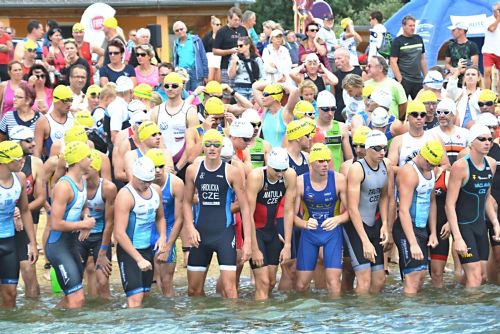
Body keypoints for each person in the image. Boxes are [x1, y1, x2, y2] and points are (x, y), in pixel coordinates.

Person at [183, 129, 251, 298]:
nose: (212, 148)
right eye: (208, 144)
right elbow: (185, 201)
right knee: (193, 291)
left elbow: (245, 207)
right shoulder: (193, 171)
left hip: (224, 234)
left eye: (216, 145)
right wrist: (190, 228)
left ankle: (231, 325)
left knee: (230, 290)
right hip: (200, 235)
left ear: (221, 148)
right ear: (203, 148)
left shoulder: (231, 172)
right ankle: (203, 324)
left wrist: (248, 241)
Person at [446, 124, 499, 288]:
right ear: (471, 143)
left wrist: (496, 223)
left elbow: (487, 197)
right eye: (482, 139)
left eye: (489, 139)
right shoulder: (460, 166)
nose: (487, 143)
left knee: (481, 278)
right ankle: (468, 313)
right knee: (475, 279)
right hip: (464, 227)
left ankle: (457, 299)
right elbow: (449, 205)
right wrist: (458, 238)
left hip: (480, 227)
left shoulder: (491, 164)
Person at [294, 143, 349, 297]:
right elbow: (291, 216)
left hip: (332, 233)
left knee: (334, 282)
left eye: (327, 160)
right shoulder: (300, 182)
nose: (325, 164)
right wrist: (304, 223)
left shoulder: (338, 179)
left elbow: (351, 212)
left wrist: (337, 219)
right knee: (302, 284)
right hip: (309, 234)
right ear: (311, 163)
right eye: (321, 161)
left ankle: (334, 317)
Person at [45, 141, 95, 308]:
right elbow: (55, 224)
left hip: (71, 244)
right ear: (79, 160)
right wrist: (83, 224)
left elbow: (84, 206)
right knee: (77, 298)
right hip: (58, 246)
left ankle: (55, 320)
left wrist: (86, 218)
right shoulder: (63, 187)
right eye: (88, 156)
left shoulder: (83, 181)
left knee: (74, 296)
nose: (91, 160)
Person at [114, 156, 168, 307]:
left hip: (147, 250)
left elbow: (161, 217)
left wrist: (162, 236)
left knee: (145, 296)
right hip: (129, 252)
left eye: (150, 181)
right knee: (135, 300)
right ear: (134, 176)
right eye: (143, 181)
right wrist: (138, 259)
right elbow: (119, 233)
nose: (147, 185)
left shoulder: (156, 190)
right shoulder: (125, 196)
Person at [344, 130, 393, 295]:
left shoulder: (386, 165)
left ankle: (373, 318)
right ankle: (359, 320)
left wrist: (385, 224)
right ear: (368, 148)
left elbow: (384, 196)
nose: (382, 152)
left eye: (384, 148)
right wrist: (365, 241)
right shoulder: (357, 169)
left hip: (375, 224)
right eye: (378, 148)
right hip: (356, 228)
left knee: (379, 280)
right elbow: (352, 208)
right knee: (364, 281)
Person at [247, 148, 297, 300]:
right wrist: (254, 248)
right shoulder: (256, 176)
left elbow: (288, 211)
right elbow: (248, 214)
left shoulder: (290, 175)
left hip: (272, 231)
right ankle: (259, 323)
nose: (280, 174)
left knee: (270, 282)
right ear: (268, 165)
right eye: (277, 170)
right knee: (262, 282)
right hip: (255, 231)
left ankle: (264, 318)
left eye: (283, 169)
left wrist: (287, 245)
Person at [394, 140, 442, 294]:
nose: (431, 167)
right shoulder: (409, 172)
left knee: (421, 276)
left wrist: (433, 232)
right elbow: (403, 210)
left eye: (435, 164)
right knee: (413, 278)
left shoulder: (432, 171)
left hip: (422, 228)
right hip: (406, 229)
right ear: (422, 155)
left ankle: (414, 315)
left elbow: (432, 201)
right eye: (429, 163)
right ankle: (409, 316)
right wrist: (412, 243)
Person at [0, 141, 38, 307]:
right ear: (5, 161)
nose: (22, 161)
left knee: (11, 293)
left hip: (9, 240)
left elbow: (24, 211)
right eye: (17, 159)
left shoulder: (20, 178)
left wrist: (33, 243)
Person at [9, 126, 44, 298]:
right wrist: (12, 213)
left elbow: (41, 198)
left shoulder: (35, 163)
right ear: (16, 143)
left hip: (26, 220)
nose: (34, 144)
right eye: (28, 140)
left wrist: (21, 212)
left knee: (28, 269)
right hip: (6, 223)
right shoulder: (4, 164)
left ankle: (34, 314)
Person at [76, 150, 116, 299]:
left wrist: (104, 251)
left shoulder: (108, 188)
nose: (85, 170)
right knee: (75, 281)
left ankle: (105, 317)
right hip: (80, 236)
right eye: (83, 167)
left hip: (100, 237)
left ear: (97, 168)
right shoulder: (76, 186)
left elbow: (110, 222)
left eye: (89, 167)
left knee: (103, 281)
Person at [145, 148, 184, 297]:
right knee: (146, 284)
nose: (157, 171)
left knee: (166, 282)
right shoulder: (140, 183)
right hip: (147, 234)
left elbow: (180, 218)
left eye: (160, 166)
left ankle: (171, 318)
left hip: (167, 232)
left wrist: (168, 246)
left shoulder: (176, 184)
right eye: (154, 167)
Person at [151, 72, 198, 178]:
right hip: (161, 164)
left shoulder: (189, 111)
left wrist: (177, 168)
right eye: (166, 86)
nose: (170, 89)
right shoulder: (156, 111)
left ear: (181, 87)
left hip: (183, 164)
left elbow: (192, 144)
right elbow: (151, 141)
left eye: (174, 86)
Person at [388, 100, 449, 172]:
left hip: (429, 181)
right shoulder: (398, 140)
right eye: (415, 114)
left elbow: (446, 165)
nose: (419, 117)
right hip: (407, 181)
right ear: (408, 117)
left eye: (422, 115)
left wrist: (434, 171)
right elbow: (390, 168)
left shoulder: (435, 137)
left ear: (425, 118)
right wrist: (413, 171)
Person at [390, 15, 427, 99]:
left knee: (420, 107)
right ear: (403, 26)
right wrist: (400, 80)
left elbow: (422, 59)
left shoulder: (418, 39)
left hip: (418, 80)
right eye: (410, 26)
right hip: (405, 79)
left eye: (414, 25)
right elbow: (393, 61)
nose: (412, 28)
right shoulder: (397, 41)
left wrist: (426, 77)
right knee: (403, 108)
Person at [252, 82, 299, 148]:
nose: (262, 97)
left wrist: (281, 85)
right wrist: (275, 84)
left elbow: (295, 91)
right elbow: (255, 86)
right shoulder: (265, 111)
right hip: (268, 156)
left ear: (275, 97)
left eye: (265, 94)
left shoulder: (285, 113)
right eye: (262, 94)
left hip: (283, 156)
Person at [315, 90, 352, 171]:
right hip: (317, 176)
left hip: (337, 175)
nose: (330, 113)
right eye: (326, 109)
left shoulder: (341, 127)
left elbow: (349, 159)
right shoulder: (310, 127)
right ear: (318, 108)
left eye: (333, 109)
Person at [34, 85, 74, 158]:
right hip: (54, 166)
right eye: (66, 100)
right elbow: (37, 152)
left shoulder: (74, 118)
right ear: (56, 100)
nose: (70, 104)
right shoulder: (43, 122)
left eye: (71, 100)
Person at [213, 7, 248, 85]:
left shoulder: (243, 30)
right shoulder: (222, 31)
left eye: (239, 20)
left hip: (242, 66)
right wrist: (230, 51)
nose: (237, 22)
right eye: (235, 20)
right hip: (226, 66)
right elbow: (215, 51)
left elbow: (248, 45)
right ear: (229, 18)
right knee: (227, 93)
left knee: (241, 92)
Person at [427, 98, 469, 165]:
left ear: (453, 114)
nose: (442, 115)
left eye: (446, 112)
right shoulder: (430, 134)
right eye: (438, 112)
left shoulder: (465, 133)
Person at [365, 56, 407, 121]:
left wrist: (396, 119)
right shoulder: (365, 85)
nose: (366, 68)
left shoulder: (394, 85)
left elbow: (403, 105)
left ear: (380, 68)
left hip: (390, 126)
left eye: (369, 66)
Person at [172, 21, 208, 91]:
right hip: (182, 73)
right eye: (177, 30)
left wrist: (205, 75)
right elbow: (175, 60)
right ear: (175, 33)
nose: (179, 31)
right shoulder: (175, 44)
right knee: (184, 96)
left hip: (196, 72)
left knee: (197, 96)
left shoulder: (196, 40)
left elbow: (203, 57)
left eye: (181, 29)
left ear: (186, 29)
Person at [444, 22, 479, 86]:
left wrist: (458, 71)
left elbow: (474, 65)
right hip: (453, 74)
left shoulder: (472, 45)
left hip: (467, 75)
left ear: (461, 31)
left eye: (454, 30)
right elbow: (446, 64)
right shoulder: (450, 46)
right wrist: (451, 69)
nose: (452, 32)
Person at [332, 48, 363, 116]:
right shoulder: (334, 76)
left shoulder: (360, 73)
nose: (336, 61)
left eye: (339, 58)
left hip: (357, 111)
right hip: (339, 112)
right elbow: (333, 95)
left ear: (348, 58)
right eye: (335, 59)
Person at [482, 3, 500, 92]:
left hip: (499, 51)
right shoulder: (488, 20)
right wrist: (498, 19)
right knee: (487, 71)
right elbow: (491, 29)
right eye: (499, 10)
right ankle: (487, 93)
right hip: (488, 50)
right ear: (494, 11)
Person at [202, 16, 223, 83]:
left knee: (218, 80)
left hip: (219, 57)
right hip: (210, 57)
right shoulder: (207, 35)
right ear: (212, 25)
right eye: (217, 24)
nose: (219, 26)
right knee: (210, 79)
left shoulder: (222, 35)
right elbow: (203, 48)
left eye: (220, 24)